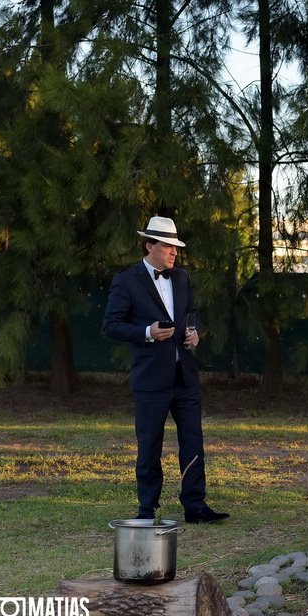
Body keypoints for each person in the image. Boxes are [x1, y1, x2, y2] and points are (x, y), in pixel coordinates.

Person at [102, 216, 229, 524]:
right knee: (149, 447)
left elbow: (192, 314)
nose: (174, 252)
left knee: (193, 443)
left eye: (175, 246)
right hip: (150, 380)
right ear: (150, 246)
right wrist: (146, 332)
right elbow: (110, 325)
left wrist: (195, 332)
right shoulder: (127, 281)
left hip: (185, 377)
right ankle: (147, 510)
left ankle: (195, 507)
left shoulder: (182, 278)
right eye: (168, 246)